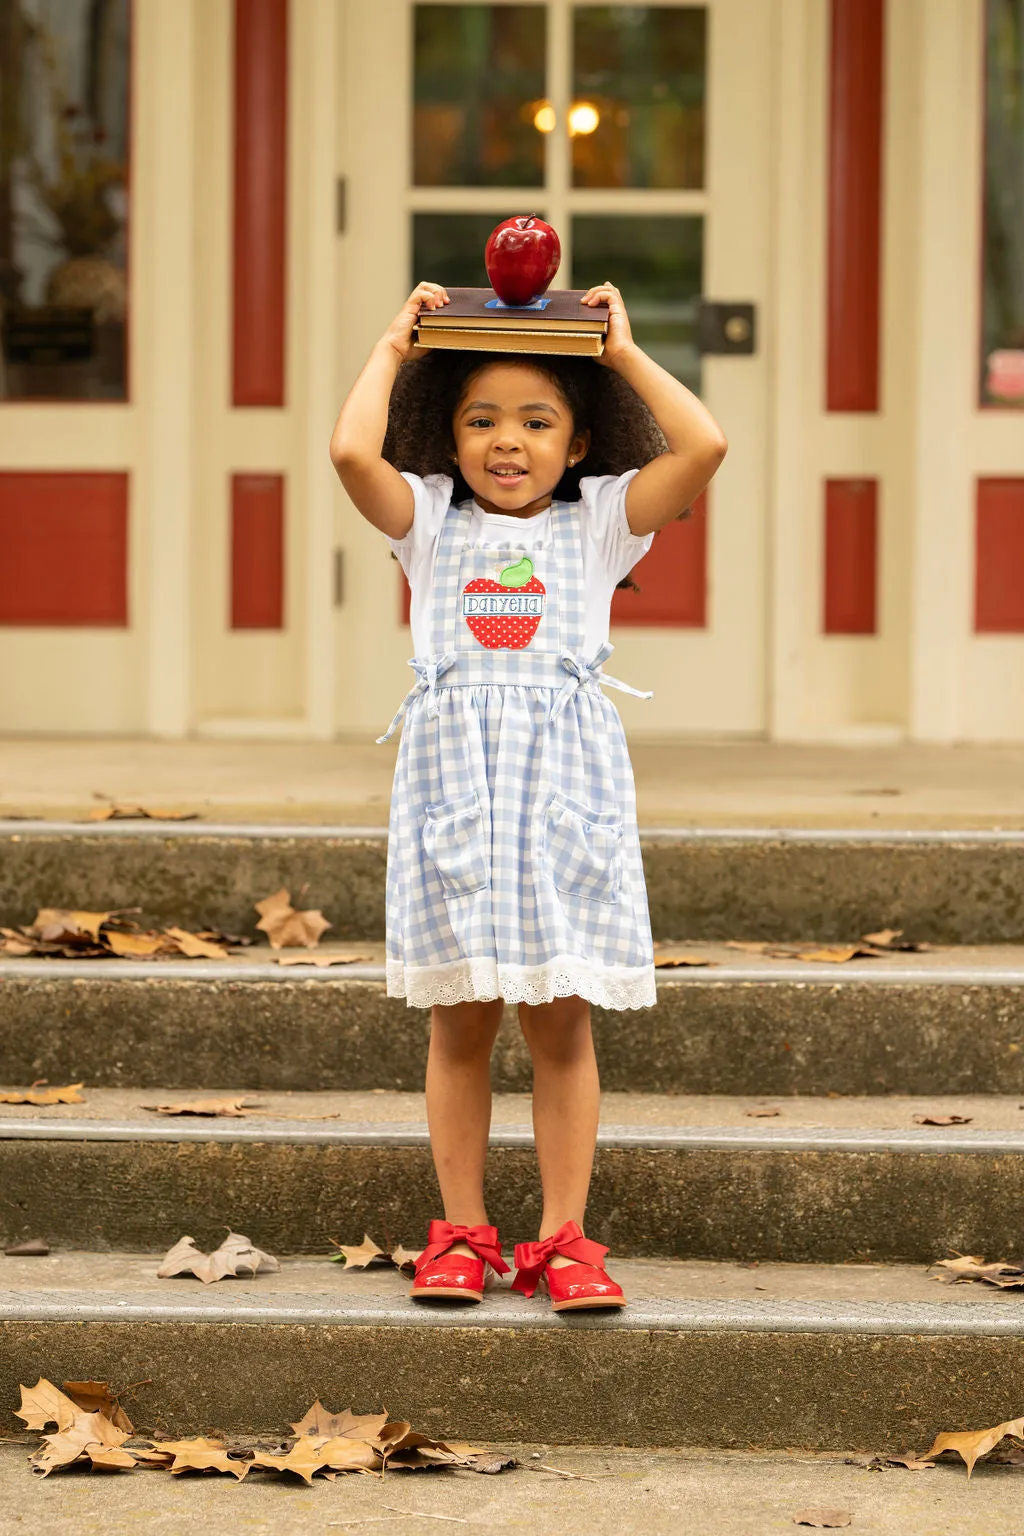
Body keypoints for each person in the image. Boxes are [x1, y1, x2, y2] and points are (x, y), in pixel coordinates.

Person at [330, 278, 727, 1312]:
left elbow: (703, 448)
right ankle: (460, 1231)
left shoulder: (601, 523)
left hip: (563, 791)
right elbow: (346, 454)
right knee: (461, 1022)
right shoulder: (423, 521)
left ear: (580, 442)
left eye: (537, 421)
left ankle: (563, 1239)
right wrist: (391, 347)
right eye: (480, 420)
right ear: (448, 438)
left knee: (559, 1023)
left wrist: (623, 352)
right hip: (455, 788)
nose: (508, 442)